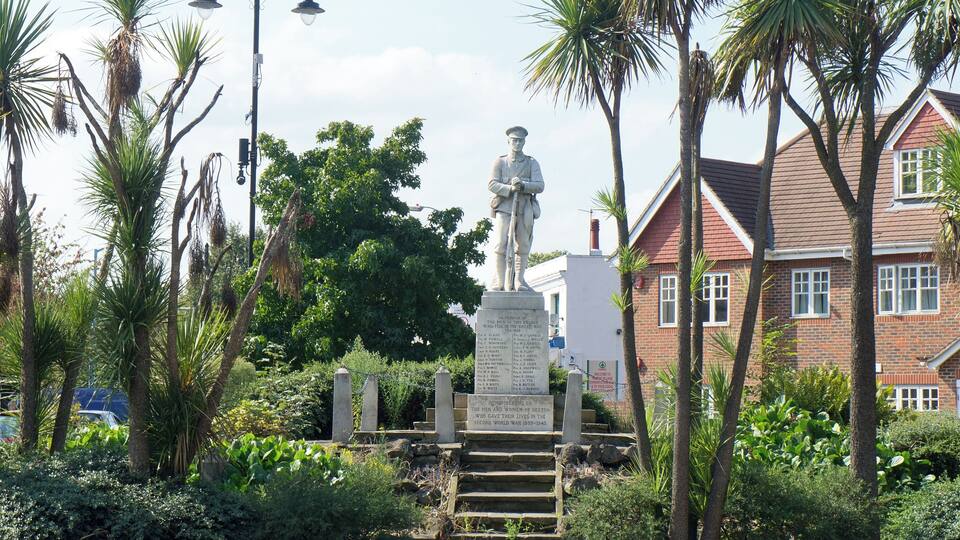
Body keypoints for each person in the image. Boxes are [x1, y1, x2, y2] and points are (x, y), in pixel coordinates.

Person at [488, 126, 544, 291]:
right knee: (500, 243)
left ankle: (519, 280)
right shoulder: (500, 162)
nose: (517, 143)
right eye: (514, 140)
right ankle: (500, 281)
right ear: (508, 141)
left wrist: (523, 185)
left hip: (525, 207)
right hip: (504, 207)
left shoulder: (531, 162)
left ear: (524, 142)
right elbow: (491, 183)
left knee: (523, 245)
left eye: (520, 140)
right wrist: (509, 189)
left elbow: (540, 185)